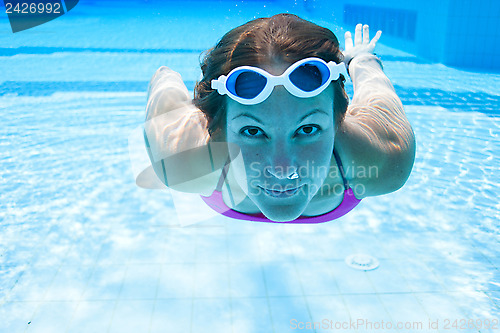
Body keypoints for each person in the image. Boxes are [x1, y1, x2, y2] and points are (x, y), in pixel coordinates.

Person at [138, 14, 416, 223]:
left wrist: (363, 61)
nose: (282, 170)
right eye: (252, 131)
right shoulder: (179, 157)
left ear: (338, 119)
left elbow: (376, 91)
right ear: (219, 127)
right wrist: (166, 78)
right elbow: (164, 79)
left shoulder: (386, 160)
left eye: (308, 129)